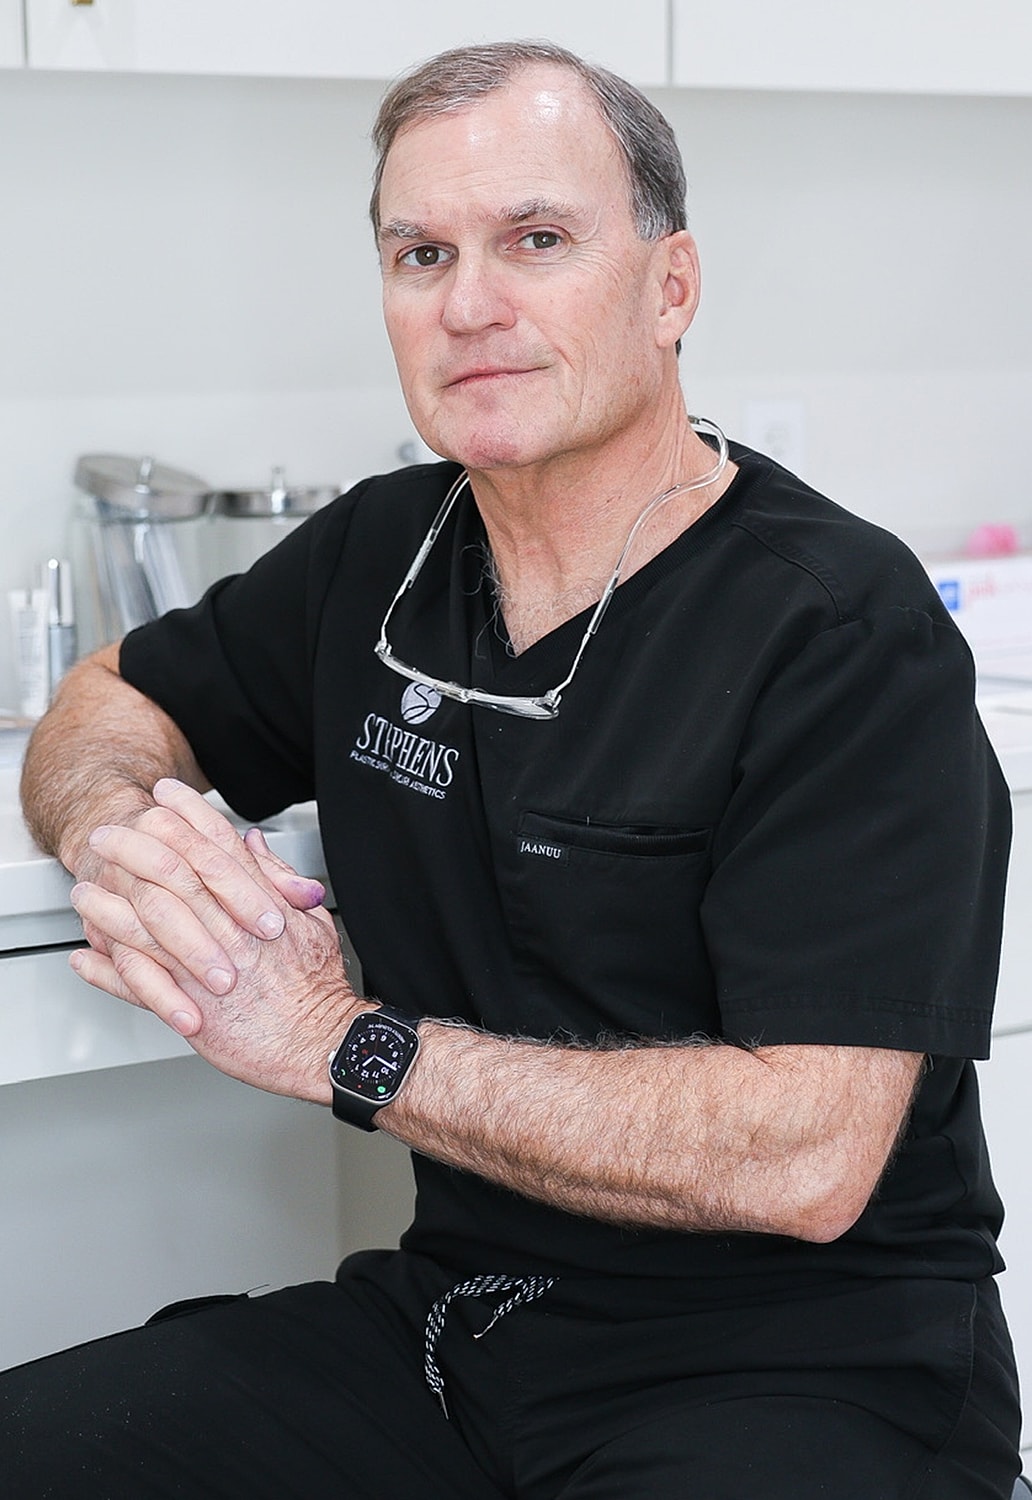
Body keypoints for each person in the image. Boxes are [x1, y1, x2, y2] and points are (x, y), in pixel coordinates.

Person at [4, 38, 1023, 1500]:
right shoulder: (385, 553)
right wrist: (120, 826)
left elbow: (806, 1157)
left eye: (536, 240)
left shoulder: (837, 631)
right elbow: (109, 700)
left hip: (809, 1371)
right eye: (422, 254)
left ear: (670, 286)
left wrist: (343, 1044)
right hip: (462, 1334)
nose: (470, 304)